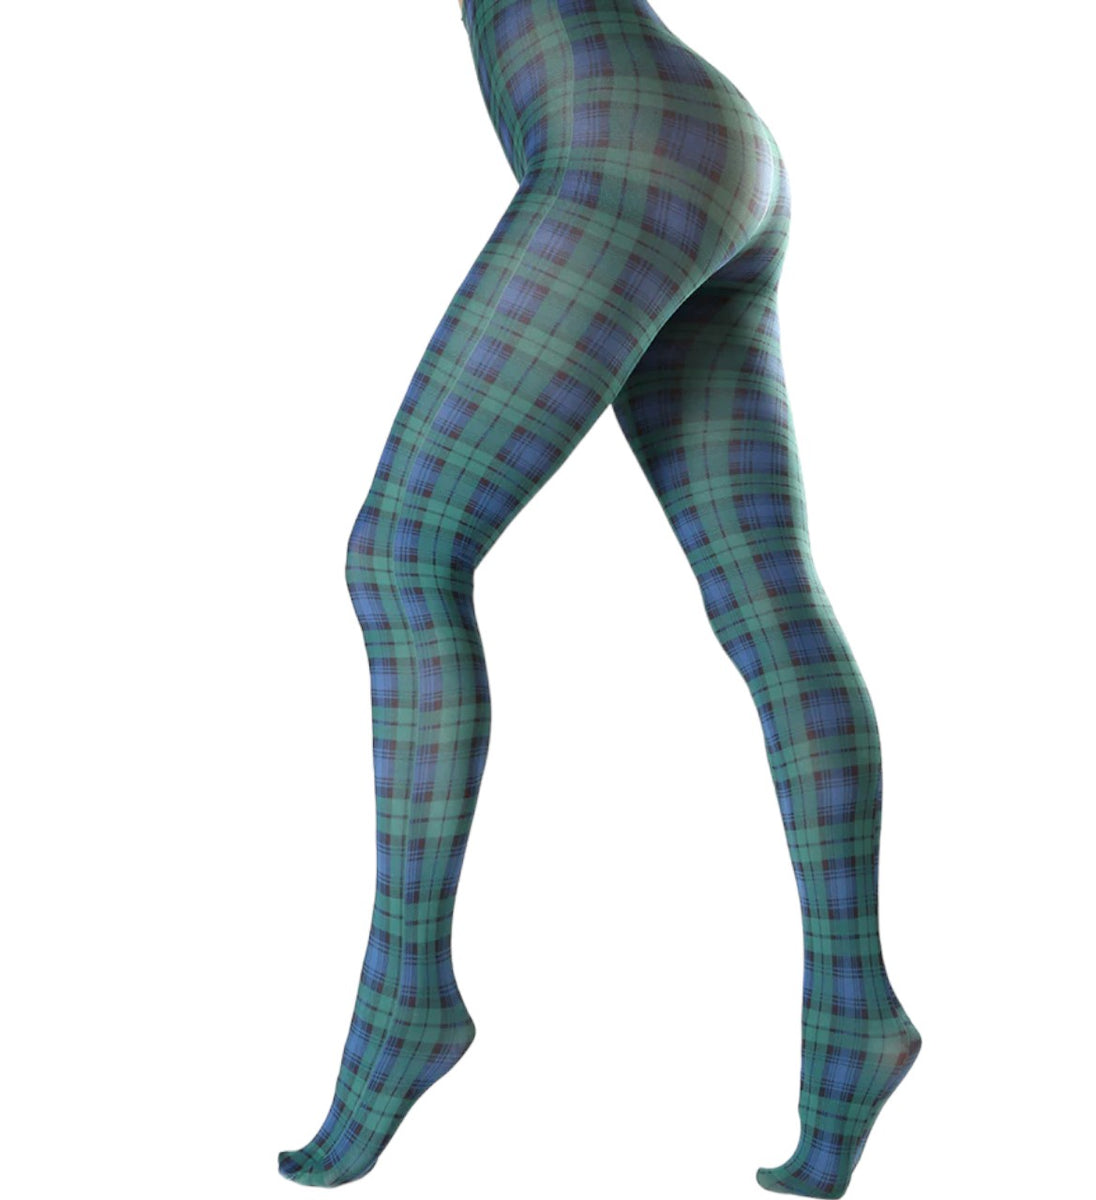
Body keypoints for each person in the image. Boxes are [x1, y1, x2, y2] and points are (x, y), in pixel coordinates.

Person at [277, 0, 921, 1194]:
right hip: (710, 146)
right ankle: (854, 1017)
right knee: (770, 606)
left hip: (622, 145)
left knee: (402, 556)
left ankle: (405, 992)